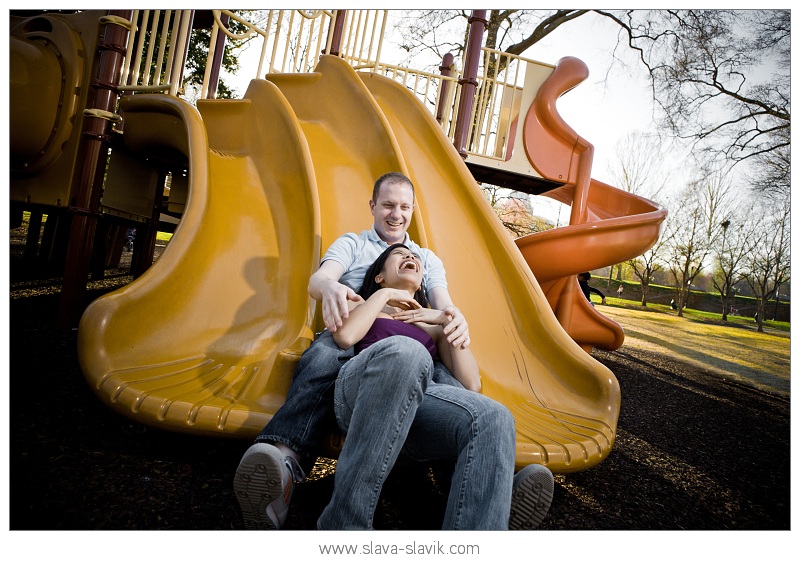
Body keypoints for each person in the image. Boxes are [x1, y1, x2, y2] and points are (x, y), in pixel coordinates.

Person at [233, 172, 553, 529]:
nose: (395, 213)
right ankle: (287, 459)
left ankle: (488, 500)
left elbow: (447, 313)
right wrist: (335, 290)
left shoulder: (425, 261)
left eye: (404, 207)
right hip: (358, 339)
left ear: (413, 210)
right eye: (387, 204)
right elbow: (323, 283)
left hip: (417, 364)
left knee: (487, 411)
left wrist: (451, 320)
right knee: (327, 355)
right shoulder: (355, 246)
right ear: (373, 206)